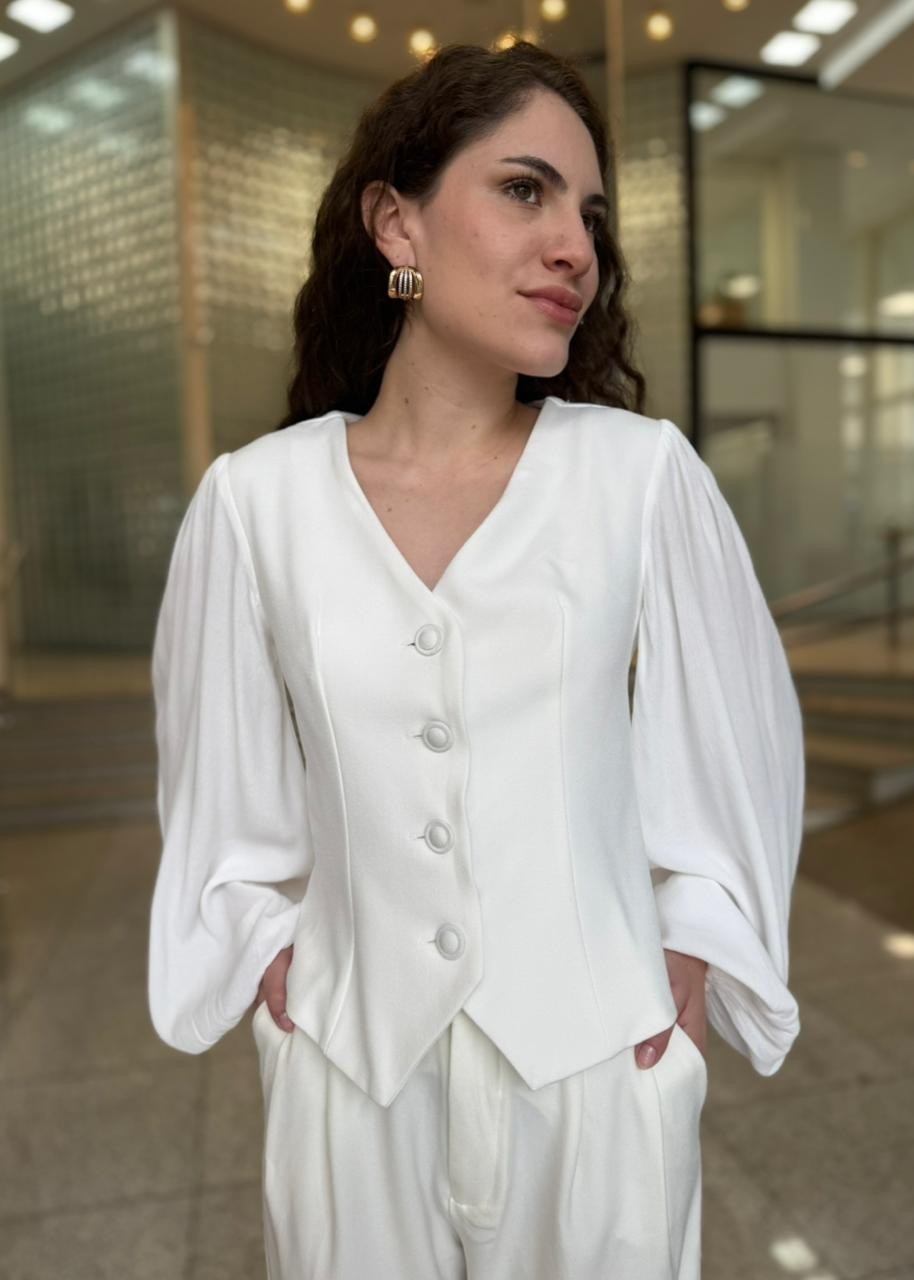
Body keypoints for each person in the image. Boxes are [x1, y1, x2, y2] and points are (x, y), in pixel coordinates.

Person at [147, 39, 805, 1280]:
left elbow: (737, 745)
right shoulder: (253, 504)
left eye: (587, 215)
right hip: (351, 1084)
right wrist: (264, 948)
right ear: (396, 223)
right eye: (522, 190)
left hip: (596, 1078)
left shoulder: (637, 475)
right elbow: (220, 802)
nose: (573, 247)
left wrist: (693, 945)